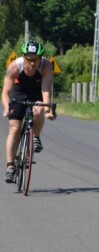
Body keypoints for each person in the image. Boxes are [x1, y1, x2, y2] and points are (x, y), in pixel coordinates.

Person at [2, 40, 56, 183]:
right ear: (24, 57)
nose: (32, 63)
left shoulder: (46, 66)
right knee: (14, 128)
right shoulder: (14, 67)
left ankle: (36, 137)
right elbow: (5, 92)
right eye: (29, 59)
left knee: (38, 110)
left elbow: (46, 91)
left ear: (41, 58)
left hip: (36, 92)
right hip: (18, 93)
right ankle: (10, 167)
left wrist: (48, 109)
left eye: (36, 59)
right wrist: (7, 107)